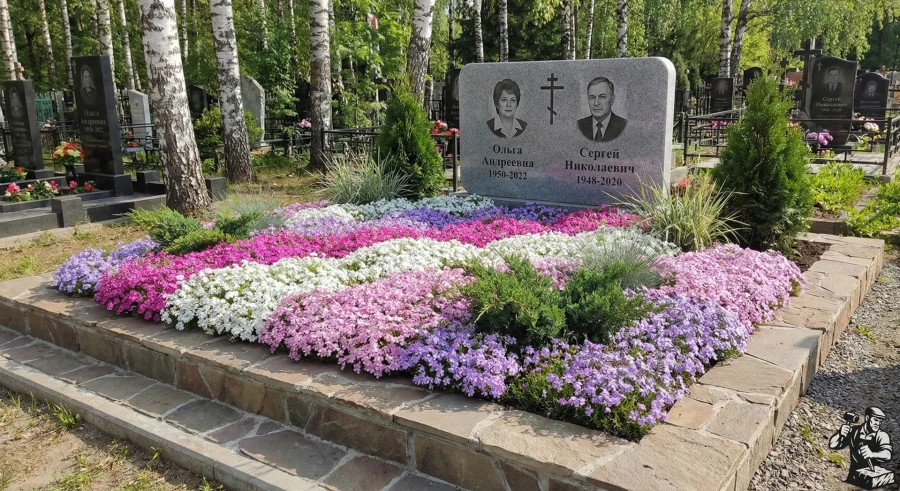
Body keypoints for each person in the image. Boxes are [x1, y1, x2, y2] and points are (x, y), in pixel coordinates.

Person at [829, 407, 894, 489]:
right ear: (867, 418)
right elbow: (832, 445)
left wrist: (872, 454)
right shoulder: (854, 431)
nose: (878, 423)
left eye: (880, 421)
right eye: (876, 420)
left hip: (873, 480)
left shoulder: (882, 435)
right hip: (853, 477)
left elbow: (887, 455)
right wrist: (840, 434)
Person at [577, 77, 626, 142]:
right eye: (592, 97)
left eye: (602, 97)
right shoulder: (579, 125)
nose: (596, 103)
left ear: (612, 100)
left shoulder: (624, 126)